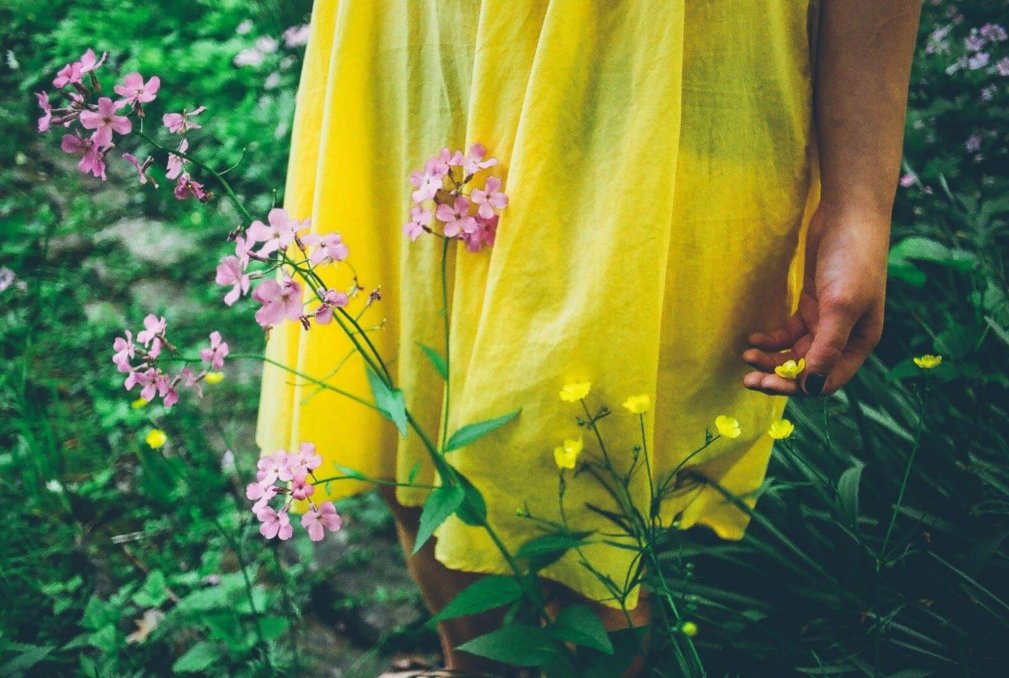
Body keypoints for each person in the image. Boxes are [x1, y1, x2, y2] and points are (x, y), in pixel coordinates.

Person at [256, 1, 923, 674]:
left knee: (584, 486)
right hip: (424, 27)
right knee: (414, 412)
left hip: (657, 46)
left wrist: (861, 204)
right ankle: (473, 669)